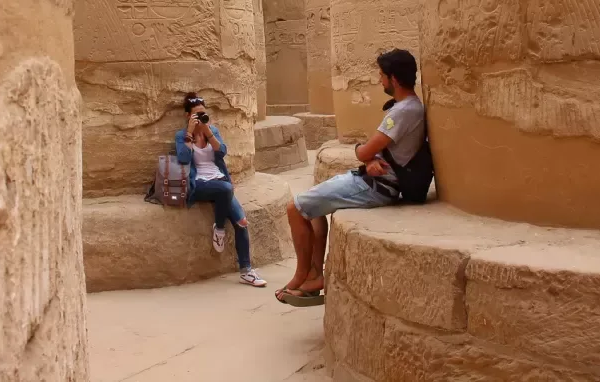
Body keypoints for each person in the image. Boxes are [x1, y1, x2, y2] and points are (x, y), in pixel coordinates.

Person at [275, 49, 425, 306]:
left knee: (294, 209)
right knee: (312, 208)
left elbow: (364, 150)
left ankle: (302, 274)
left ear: (394, 79)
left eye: (381, 75)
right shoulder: (409, 107)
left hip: (376, 186)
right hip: (373, 177)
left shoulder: (403, 112)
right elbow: (373, 153)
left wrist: (363, 154)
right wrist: (368, 158)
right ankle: (313, 276)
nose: (380, 80)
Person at [175, 92, 267, 287]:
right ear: (188, 116)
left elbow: (222, 151)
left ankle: (246, 270)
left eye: (203, 113)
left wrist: (207, 132)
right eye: (196, 115)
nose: (201, 118)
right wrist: (190, 133)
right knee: (226, 188)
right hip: (199, 184)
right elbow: (183, 159)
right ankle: (219, 228)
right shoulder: (182, 136)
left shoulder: (212, 130)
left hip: (219, 181)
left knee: (242, 221)